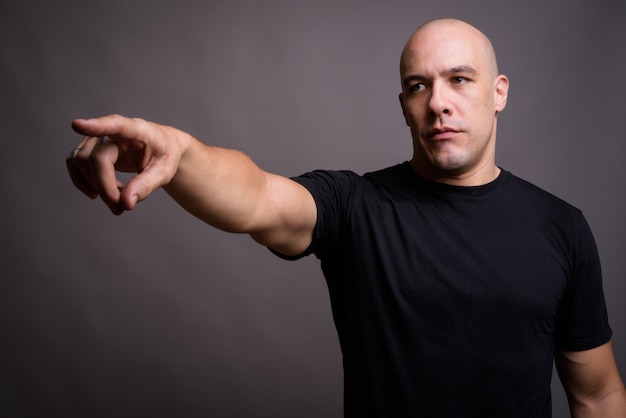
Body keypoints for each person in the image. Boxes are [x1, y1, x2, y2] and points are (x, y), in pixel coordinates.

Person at [66, 18, 626, 417]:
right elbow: (259, 196)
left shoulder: (562, 226)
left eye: (459, 79)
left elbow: (597, 395)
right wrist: (180, 152)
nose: (438, 102)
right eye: (418, 86)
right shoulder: (355, 206)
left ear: (498, 92)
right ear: (404, 104)